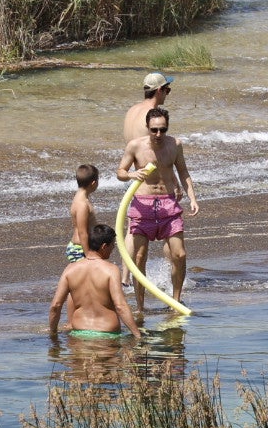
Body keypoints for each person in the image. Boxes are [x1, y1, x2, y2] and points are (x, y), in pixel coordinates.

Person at [117, 106, 199, 311]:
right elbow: (120, 171)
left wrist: (192, 198)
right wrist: (131, 175)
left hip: (168, 205)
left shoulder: (175, 145)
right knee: (138, 257)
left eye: (162, 129)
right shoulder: (135, 146)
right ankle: (140, 307)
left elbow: (183, 172)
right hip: (142, 206)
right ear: (147, 127)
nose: (158, 134)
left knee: (179, 255)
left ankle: (175, 300)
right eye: (154, 130)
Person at [48, 224, 141, 339]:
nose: (113, 249)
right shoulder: (111, 270)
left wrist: (53, 335)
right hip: (107, 336)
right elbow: (120, 306)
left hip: (78, 335)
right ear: (104, 246)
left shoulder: (70, 269)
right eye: (112, 245)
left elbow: (55, 306)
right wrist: (137, 335)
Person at [124, 72, 174, 145]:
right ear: (159, 90)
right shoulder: (154, 115)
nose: (167, 94)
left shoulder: (131, 110)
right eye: (167, 90)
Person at [67, 164, 98, 263]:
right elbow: (82, 232)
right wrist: (88, 254)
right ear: (93, 183)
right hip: (79, 249)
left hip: (82, 247)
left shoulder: (80, 198)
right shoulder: (82, 204)